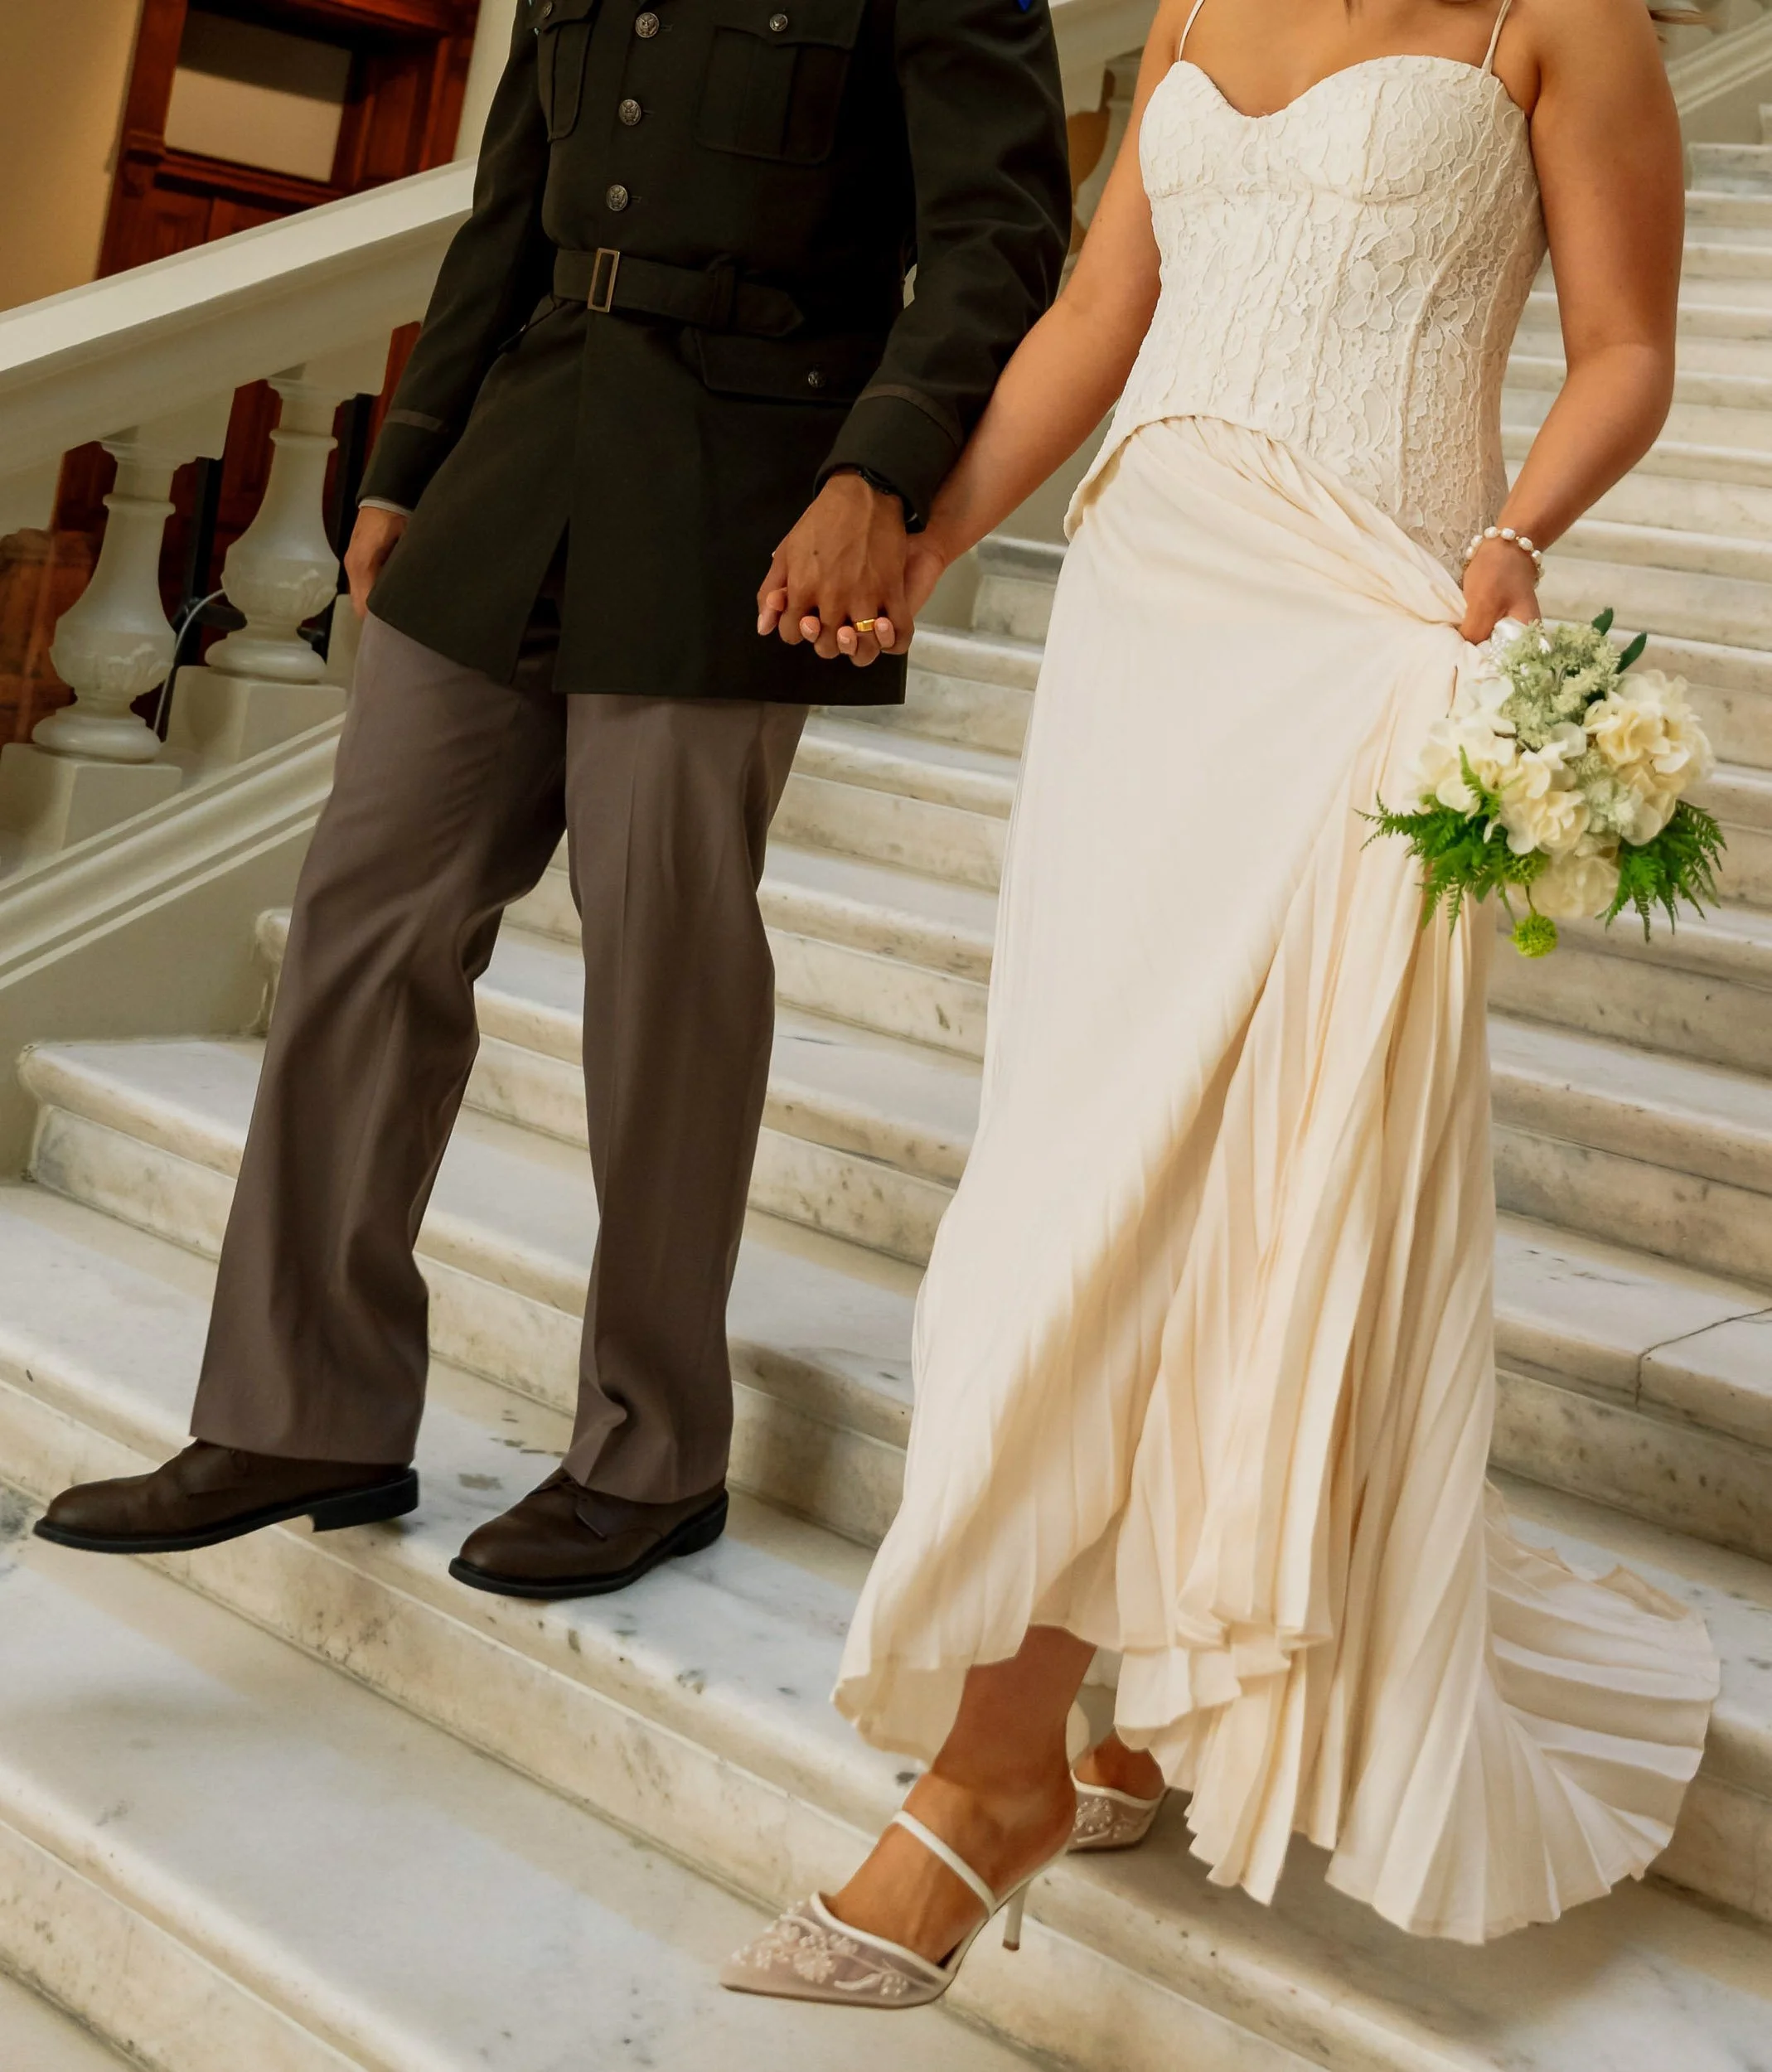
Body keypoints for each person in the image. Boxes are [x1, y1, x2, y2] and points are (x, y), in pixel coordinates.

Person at [724, 0, 1721, 2006]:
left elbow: (1625, 344)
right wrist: (930, 535)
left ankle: (987, 1776)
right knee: (1069, 1172)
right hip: (1147, 619)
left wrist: (1514, 538)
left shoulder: (1561, 23)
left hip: (1358, 630)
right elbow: (1101, 318)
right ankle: (1081, 1698)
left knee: (1214, 1181)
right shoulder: (1191, 3)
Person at [33, 0, 1071, 1599]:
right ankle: (304, 1410)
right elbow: (507, 209)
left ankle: (651, 1452)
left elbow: (1000, 238)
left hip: (743, 492)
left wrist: (881, 470)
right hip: (519, 463)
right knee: (358, 921)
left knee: (663, 973)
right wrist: (406, 462)